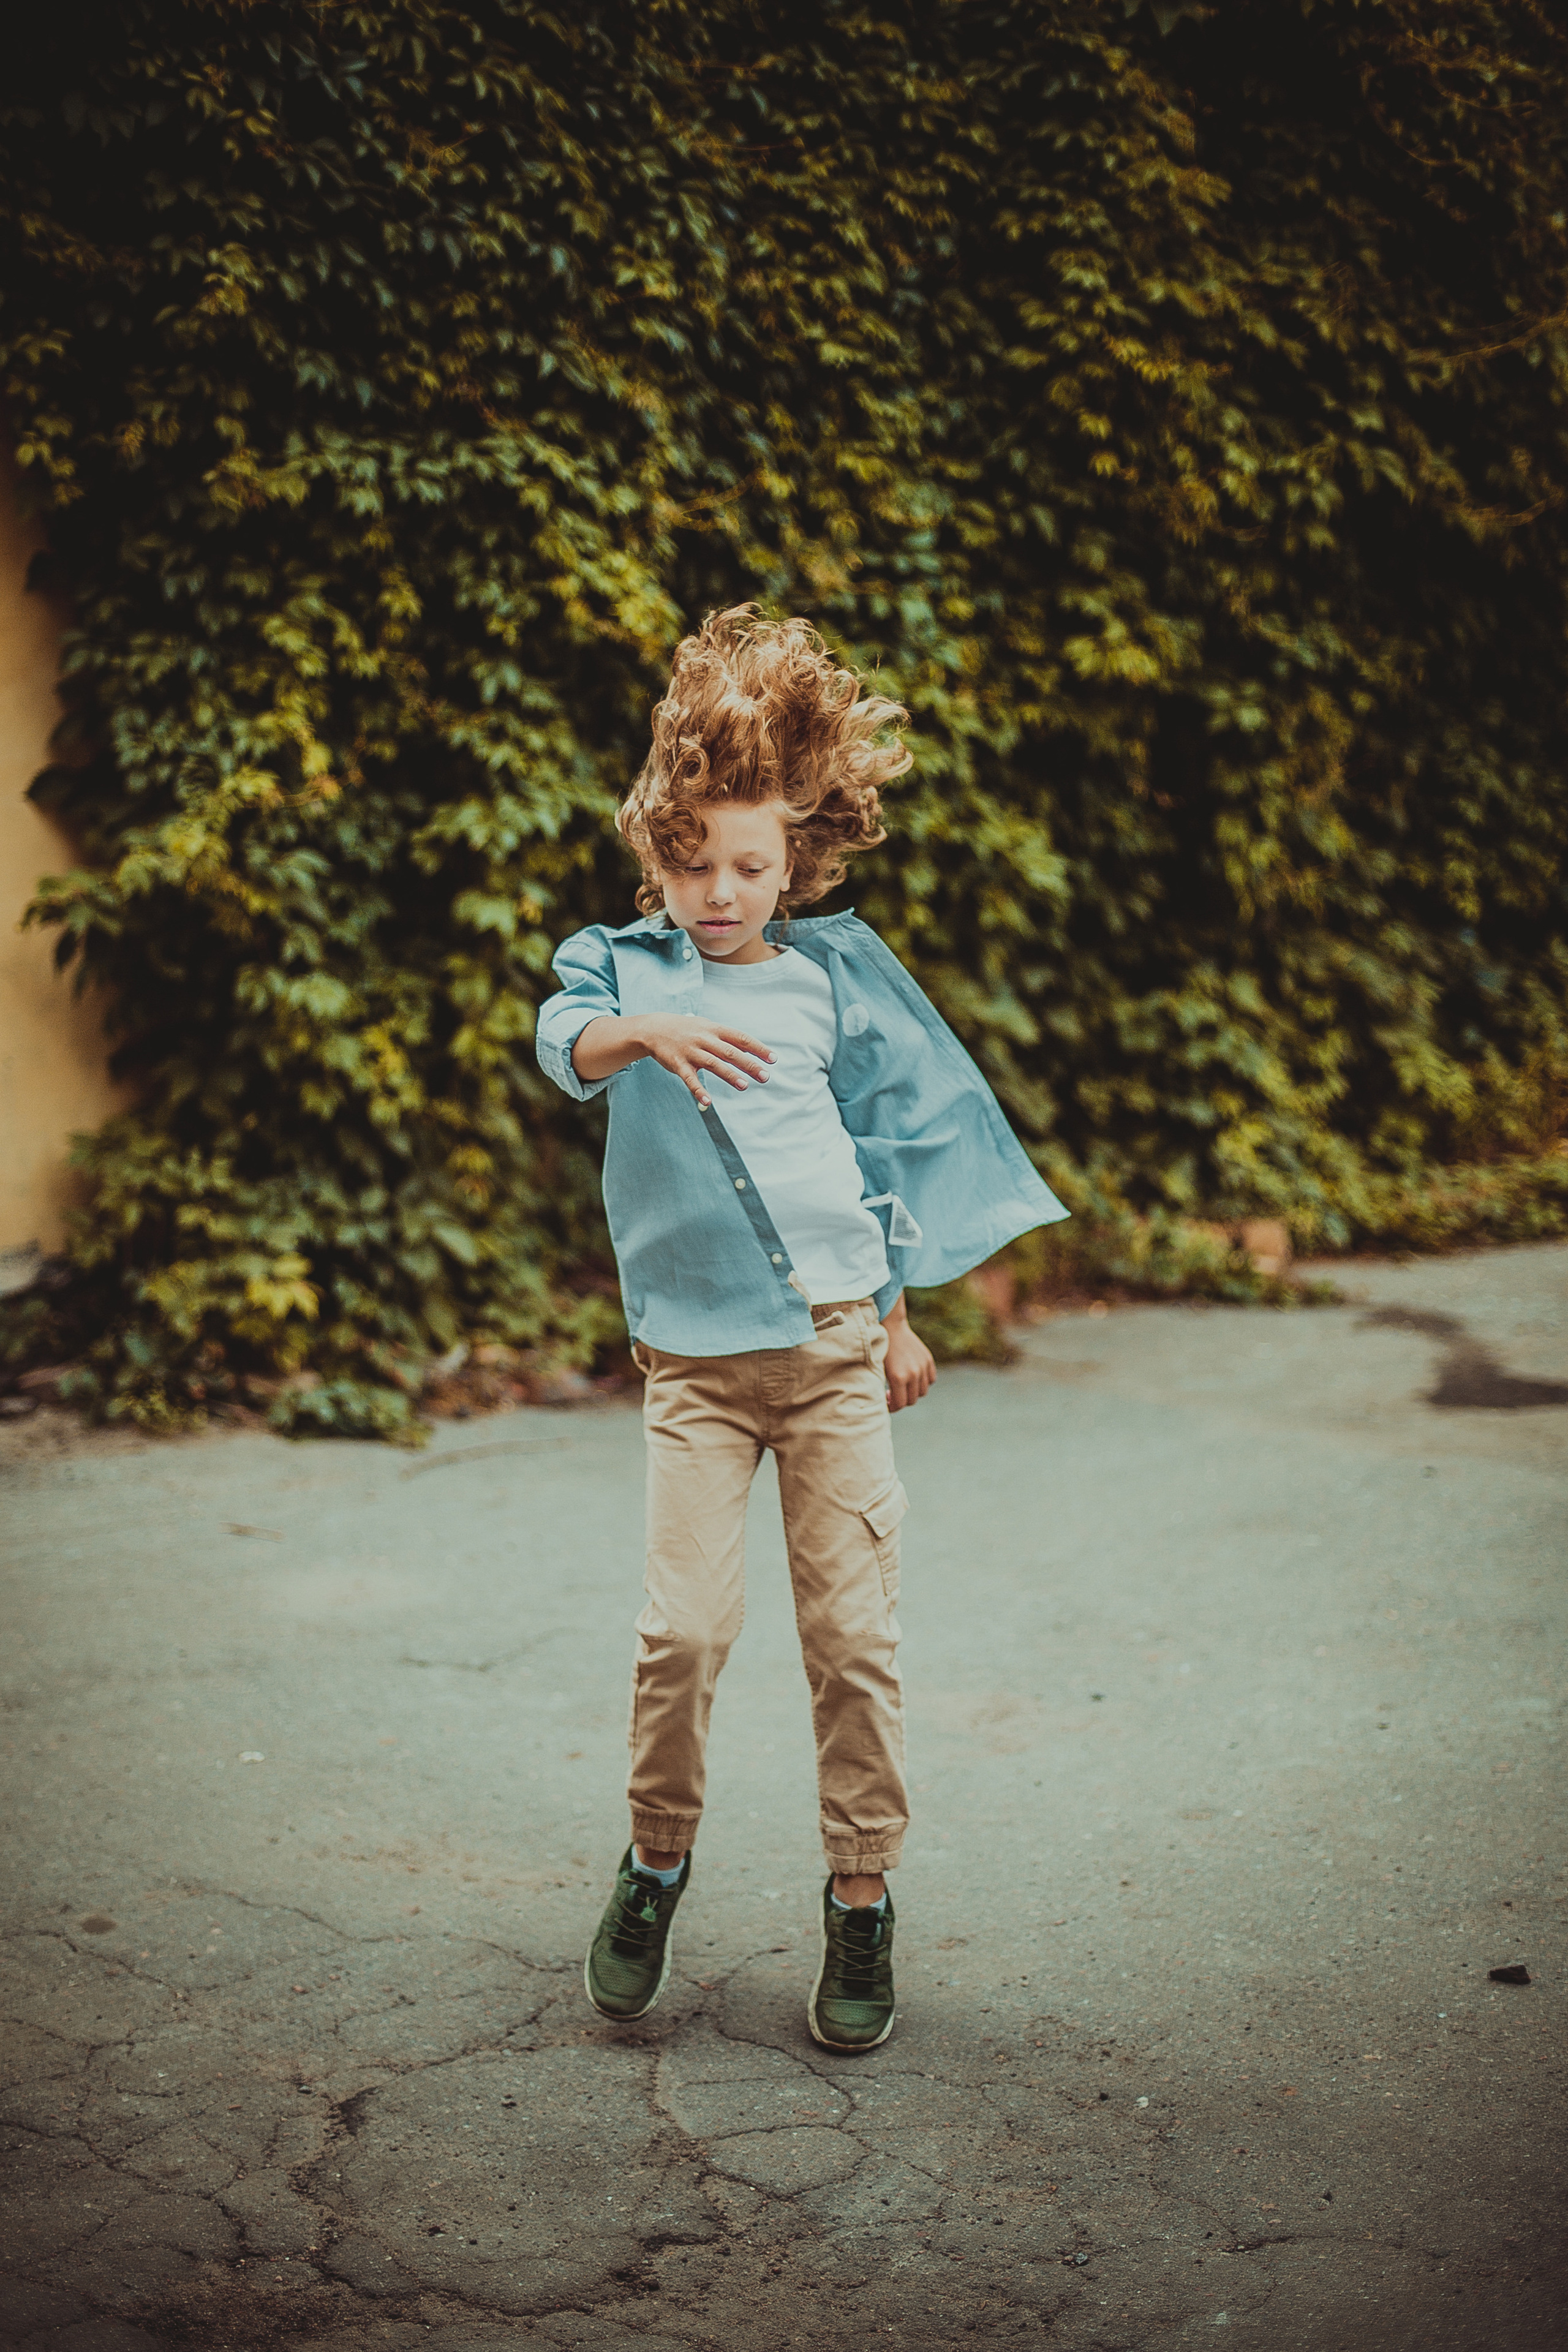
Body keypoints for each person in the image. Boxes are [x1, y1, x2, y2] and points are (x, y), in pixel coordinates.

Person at [536, 606, 1066, 2051]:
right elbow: (555, 1046)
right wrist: (643, 1034)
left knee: (851, 1635)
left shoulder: (829, 981)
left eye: (749, 865)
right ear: (655, 845)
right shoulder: (620, 971)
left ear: (798, 855)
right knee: (682, 1634)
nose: (719, 891)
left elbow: (865, 1164)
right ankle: (654, 1865)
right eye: (692, 861)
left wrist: (894, 1317)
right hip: (695, 1374)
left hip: (837, 1352)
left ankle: (859, 1899)